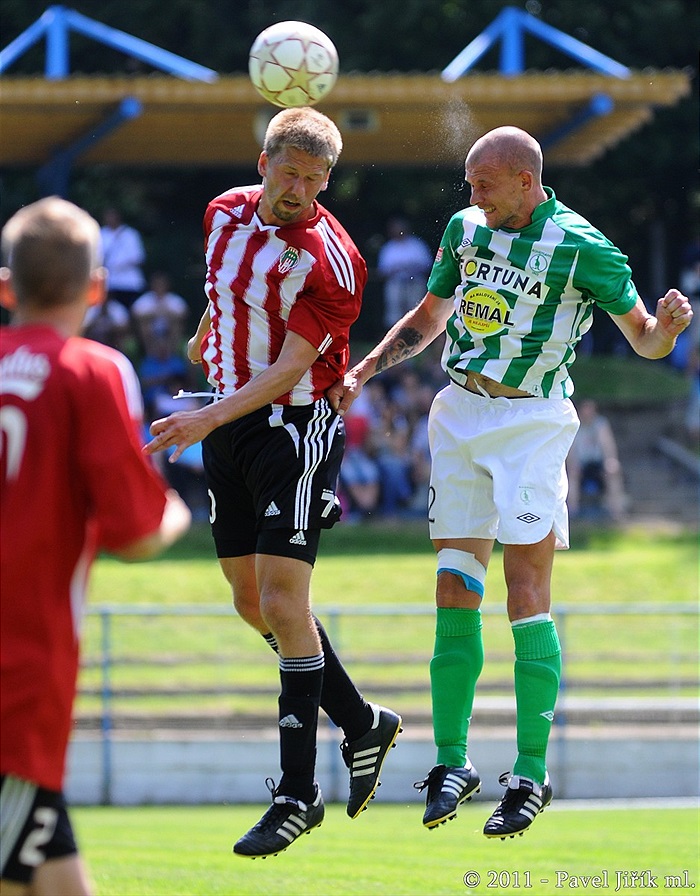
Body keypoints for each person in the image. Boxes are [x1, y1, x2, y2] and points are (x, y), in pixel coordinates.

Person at [329, 126, 693, 840]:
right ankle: (453, 762)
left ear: (527, 182)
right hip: (459, 414)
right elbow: (429, 318)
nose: (471, 197)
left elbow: (643, 338)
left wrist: (670, 332)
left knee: (525, 593)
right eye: (470, 185)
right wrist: (365, 369)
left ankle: (530, 774)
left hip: (532, 426)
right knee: (454, 586)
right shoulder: (466, 230)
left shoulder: (583, 247)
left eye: (484, 185)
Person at [143, 107, 402, 859]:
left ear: (328, 181)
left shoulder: (332, 259)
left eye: (315, 179)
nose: (299, 189)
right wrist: (203, 336)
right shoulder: (223, 212)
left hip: (293, 426)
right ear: (264, 164)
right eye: (289, 173)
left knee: (287, 601)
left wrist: (201, 421)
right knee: (250, 602)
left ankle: (298, 795)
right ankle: (361, 721)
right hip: (227, 422)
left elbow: (290, 370)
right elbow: (225, 287)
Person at [0, 197, 191, 896]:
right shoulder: (92, 370)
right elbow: (136, 533)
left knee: (50, 874)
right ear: (98, 290)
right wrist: (173, 512)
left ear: (4, 286)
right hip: (16, 681)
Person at [566, 399, 626, 522]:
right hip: (580, 464)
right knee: (572, 473)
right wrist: (572, 464)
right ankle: (572, 512)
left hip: (598, 464)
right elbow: (569, 449)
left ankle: (617, 512)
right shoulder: (573, 424)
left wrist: (611, 460)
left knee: (612, 471)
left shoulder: (600, 424)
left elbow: (608, 444)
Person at [377, 217, 434, 329]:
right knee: (394, 312)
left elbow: (427, 264)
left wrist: (411, 267)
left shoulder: (417, 245)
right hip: (395, 283)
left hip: (415, 282)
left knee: (416, 310)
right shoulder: (389, 247)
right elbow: (382, 270)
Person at [130, 271, 190, 352]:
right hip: (152, 332)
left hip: (168, 332)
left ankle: (171, 352)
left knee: (176, 325)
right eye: (157, 284)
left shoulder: (174, 299)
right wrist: (156, 315)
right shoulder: (145, 300)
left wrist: (163, 314)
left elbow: (183, 314)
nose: (159, 287)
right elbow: (135, 314)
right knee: (144, 324)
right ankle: (150, 353)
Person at [99, 207, 146, 309]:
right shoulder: (101, 234)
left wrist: (121, 265)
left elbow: (139, 258)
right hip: (109, 283)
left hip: (129, 283)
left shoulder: (130, 234)